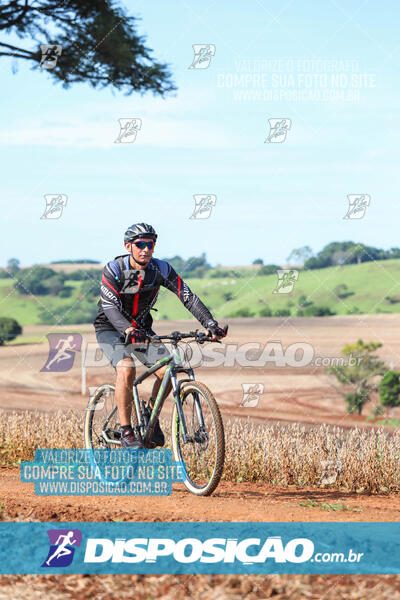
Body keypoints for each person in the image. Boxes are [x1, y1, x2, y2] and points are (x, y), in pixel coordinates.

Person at [93, 223, 227, 449]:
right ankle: (126, 431)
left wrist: (210, 323)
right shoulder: (114, 269)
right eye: (140, 244)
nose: (146, 249)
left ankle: (150, 422)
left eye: (150, 244)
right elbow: (110, 306)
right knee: (126, 368)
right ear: (128, 246)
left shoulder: (161, 270)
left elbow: (187, 296)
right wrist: (127, 330)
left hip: (142, 328)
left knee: (169, 370)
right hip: (110, 327)